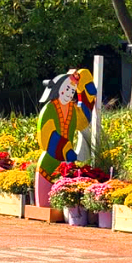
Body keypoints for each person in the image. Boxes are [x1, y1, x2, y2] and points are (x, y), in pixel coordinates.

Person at [34, 69, 97, 207]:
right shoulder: (50, 109)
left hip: (68, 158)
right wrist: (64, 148)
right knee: (46, 188)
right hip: (51, 157)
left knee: (67, 181)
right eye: (67, 89)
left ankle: (65, 206)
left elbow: (83, 120)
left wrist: (85, 89)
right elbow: (47, 132)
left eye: (72, 90)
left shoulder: (73, 110)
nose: (69, 93)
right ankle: (45, 206)